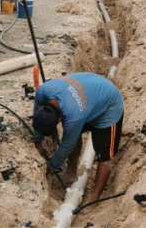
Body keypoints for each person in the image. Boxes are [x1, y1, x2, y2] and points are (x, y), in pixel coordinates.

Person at [32, 72, 124, 205]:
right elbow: (36, 114)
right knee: (74, 134)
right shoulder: (43, 91)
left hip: (108, 105)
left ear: (59, 119)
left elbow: (66, 146)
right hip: (88, 90)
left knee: (105, 156)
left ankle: (94, 199)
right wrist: (38, 141)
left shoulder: (73, 118)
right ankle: (71, 171)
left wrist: (51, 166)